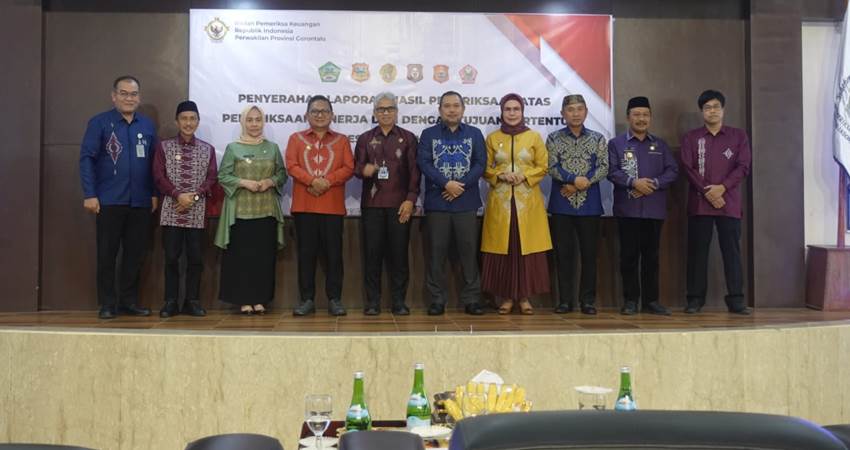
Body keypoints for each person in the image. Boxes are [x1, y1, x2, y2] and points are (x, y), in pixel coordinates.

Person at [79, 75, 157, 319]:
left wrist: (154, 193)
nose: (129, 98)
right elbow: (87, 159)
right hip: (109, 200)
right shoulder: (99, 123)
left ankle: (129, 302)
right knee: (107, 255)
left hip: (141, 201)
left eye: (133, 94)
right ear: (114, 96)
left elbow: (156, 163)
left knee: (135, 256)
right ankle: (107, 303)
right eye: (123, 93)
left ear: (139, 97)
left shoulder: (147, 126)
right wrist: (90, 194)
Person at [680, 89, 752, 314]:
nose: (712, 111)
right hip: (700, 204)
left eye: (716, 107)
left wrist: (722, 188)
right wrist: (707, 191)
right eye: (707, 107)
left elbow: (743, 166)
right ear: (702, 111)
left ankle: (736, 299)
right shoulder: (692, 137)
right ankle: (694, 299)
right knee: (697, 253)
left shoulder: (738, 136)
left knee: (731, 252)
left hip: (728, 203)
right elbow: (687, 167)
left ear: (723, 110)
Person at [480, 93, 552, 315]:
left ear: (522, 112)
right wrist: (500, 175)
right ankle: (507, 298)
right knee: (504, 250)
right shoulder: (492, 138)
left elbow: (543, 166)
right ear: (502, 112)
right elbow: (483, 167)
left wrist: (524, 175)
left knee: (525, 250)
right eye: (508, 109)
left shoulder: (534, 138)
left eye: (516, 109)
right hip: (501, 204)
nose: (512, 113)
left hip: (527, 204)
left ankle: (525, 298)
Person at [417, 91, 487, 315]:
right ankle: (437, 300)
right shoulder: (428, 135)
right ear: (440, 110)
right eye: (447, 106)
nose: (452, 110)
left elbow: (480, 163)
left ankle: (472, 299)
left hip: (466, 203)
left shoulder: (475, 134)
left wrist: (460, 186)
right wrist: (446, 183)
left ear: (463, 109)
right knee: (436, 253)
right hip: (438, 203)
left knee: (468, 252)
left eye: (456, 105)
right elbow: (424, 163)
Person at [608, 96, 678, 316]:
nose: (641, 119)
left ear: (650, 118)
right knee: (628, 257)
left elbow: (672, 171)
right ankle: (630, 301)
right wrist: (633, 182)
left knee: (652, 257)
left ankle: (651, 301)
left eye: (645, 115)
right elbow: (612, 171)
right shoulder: (616, 144)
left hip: (653, 210)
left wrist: (654, 184)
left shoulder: (660, 144)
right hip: (627, 210)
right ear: (628, 117)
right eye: (636, 115)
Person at [286, 95, 355, 316]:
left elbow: (348, 167)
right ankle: (307, 300)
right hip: (304, 207)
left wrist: (326, 182)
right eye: (315, 111)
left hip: (333, 208)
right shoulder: (296, 139)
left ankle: (335, 299)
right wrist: (312, 181)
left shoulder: (342, 140)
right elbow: (291, 165)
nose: (320, 115)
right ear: (306, 115)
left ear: (332, 115)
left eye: (324, 111)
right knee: (306, 256)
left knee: (334, 256)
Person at [214, 105, 287, 314]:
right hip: (240, 213)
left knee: (263, 258)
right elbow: (223, 176)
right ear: (243, 122)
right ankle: (243, 300)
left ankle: (260, 299)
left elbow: (282, 174)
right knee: (241, 258)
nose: (254, 124)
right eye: (250, 120)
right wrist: (244, 182)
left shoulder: (272, 148)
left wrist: (270, 181)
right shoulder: (233, 148)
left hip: (266, 212)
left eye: (258, 120)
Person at [354, 92, 420, 316]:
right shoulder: (364, 138)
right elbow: (356, 168)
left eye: (389, 109)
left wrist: (411, 199)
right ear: (374, 113)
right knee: (372, 255)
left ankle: (399, 301)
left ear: (396, 111)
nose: (385, 113)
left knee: (399, 256)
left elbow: (414, 173)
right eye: (381, 109)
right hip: (372, 205)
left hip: (399, 205)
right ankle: (373, 302)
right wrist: (364, 170)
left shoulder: (408, 138)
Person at [152, 100, 217, 317]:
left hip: (197, 212)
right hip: (172, 210)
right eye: (184, 118)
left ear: (198, 122)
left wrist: (194, 196)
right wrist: (178, 195)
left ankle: (192, 301)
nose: (188, 123)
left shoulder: (208, 149)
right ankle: (170, 301)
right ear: (177, 121)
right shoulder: (164, 147)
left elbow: (211, 178)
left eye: (192, 119)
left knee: (196, 259)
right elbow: (158, 175)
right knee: (171, 258)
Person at [546, 94, 609, 315]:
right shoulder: (553, 139)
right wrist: (573, 180)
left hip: (589, 206)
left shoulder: (598, 138)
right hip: (562, 205)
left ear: (586, 112)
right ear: (563, 114)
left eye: (579, 109)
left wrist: (583, 182)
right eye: (570, 109)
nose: (575, 113)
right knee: (563, 255)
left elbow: (603, 167)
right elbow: (551, 166)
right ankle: (565, 301)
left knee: (589, 255)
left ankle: (588, 301)